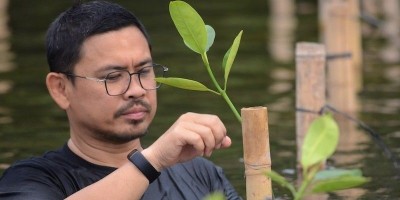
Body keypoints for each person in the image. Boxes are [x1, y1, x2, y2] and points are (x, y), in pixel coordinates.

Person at [0, 1, 241, 199]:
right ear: (61, 89)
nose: (136, 90)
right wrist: (153, 160)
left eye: (144, 71)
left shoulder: (201, 174)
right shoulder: (30, 180)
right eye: (113, 77)